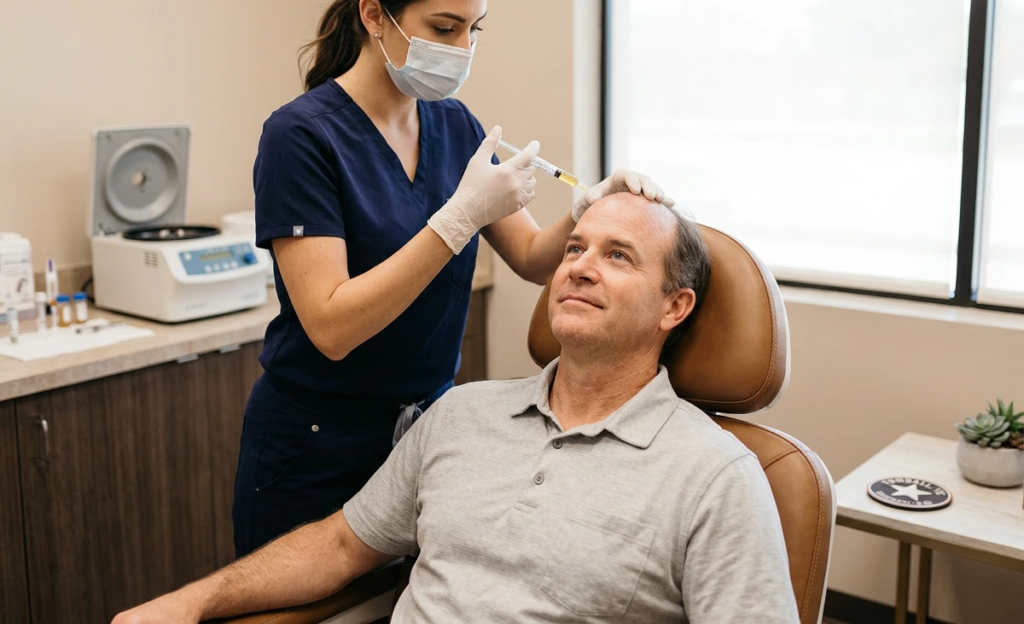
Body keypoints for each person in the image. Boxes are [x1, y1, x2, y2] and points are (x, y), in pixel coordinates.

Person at [114, 190, 799, 624]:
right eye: (574, 248)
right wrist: (190, 601)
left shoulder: (716, 477)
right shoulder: (461, 414)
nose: (579, 266)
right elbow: (339, 544)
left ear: (675, 306)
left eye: (618, 255)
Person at [233, 0, 670, 558]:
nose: (463, 48)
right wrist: (459, 217)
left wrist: (586, 211)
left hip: (425, 435)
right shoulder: (301, 137)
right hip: (317, 442)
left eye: (474, 28)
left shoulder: (455, 124)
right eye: (444, 27)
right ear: (374, 14)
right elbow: (330, 326)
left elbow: (527, 255)